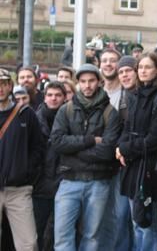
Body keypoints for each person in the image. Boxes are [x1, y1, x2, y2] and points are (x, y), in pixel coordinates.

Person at [50, 64, 121, 251]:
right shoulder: (66, 110)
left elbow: (107, 152)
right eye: (83, 81)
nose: (87, 85)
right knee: (62, 236)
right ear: (77, 83)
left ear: (99, 82)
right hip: (69, 181)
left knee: (92, 237)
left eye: (91, 81)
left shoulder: (110, 113)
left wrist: (72, 150)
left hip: (98, 183)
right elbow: (57, 142)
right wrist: (90, 140)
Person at [116, 52, 157, 251]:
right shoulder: (134, 95)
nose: (143, 71)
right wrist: (121, 148)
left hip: (150, 166)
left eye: (148, 67)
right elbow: (127, 127)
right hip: (132, 164)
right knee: (135, 220)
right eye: (140, 67)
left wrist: (125, 148)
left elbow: (155, 138)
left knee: (147, 222)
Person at [0, 68, 45, 251]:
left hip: (18, 189)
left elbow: (38, 147)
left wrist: (25, 171)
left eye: (3, 84)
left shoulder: (26, 114)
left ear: (10, 86)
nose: (0, 89)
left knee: (28, 244)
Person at [97, 51, 135, 251]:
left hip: (121, 161)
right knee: (104, 215)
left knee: (121, 215)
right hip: (99, 161)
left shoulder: (127, 92)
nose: (108, 64)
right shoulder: (95, 90)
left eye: (113, 61)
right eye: (105, 60)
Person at [33, 81, 67, 250]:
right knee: (38, 231)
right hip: (40, 185)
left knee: (59, 233)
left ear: (64, 97)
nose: (54, 99)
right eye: (50, 95)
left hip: (64, 183)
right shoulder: (34, 119)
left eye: (58, 95)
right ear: (44, 97)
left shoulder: (70, 118)